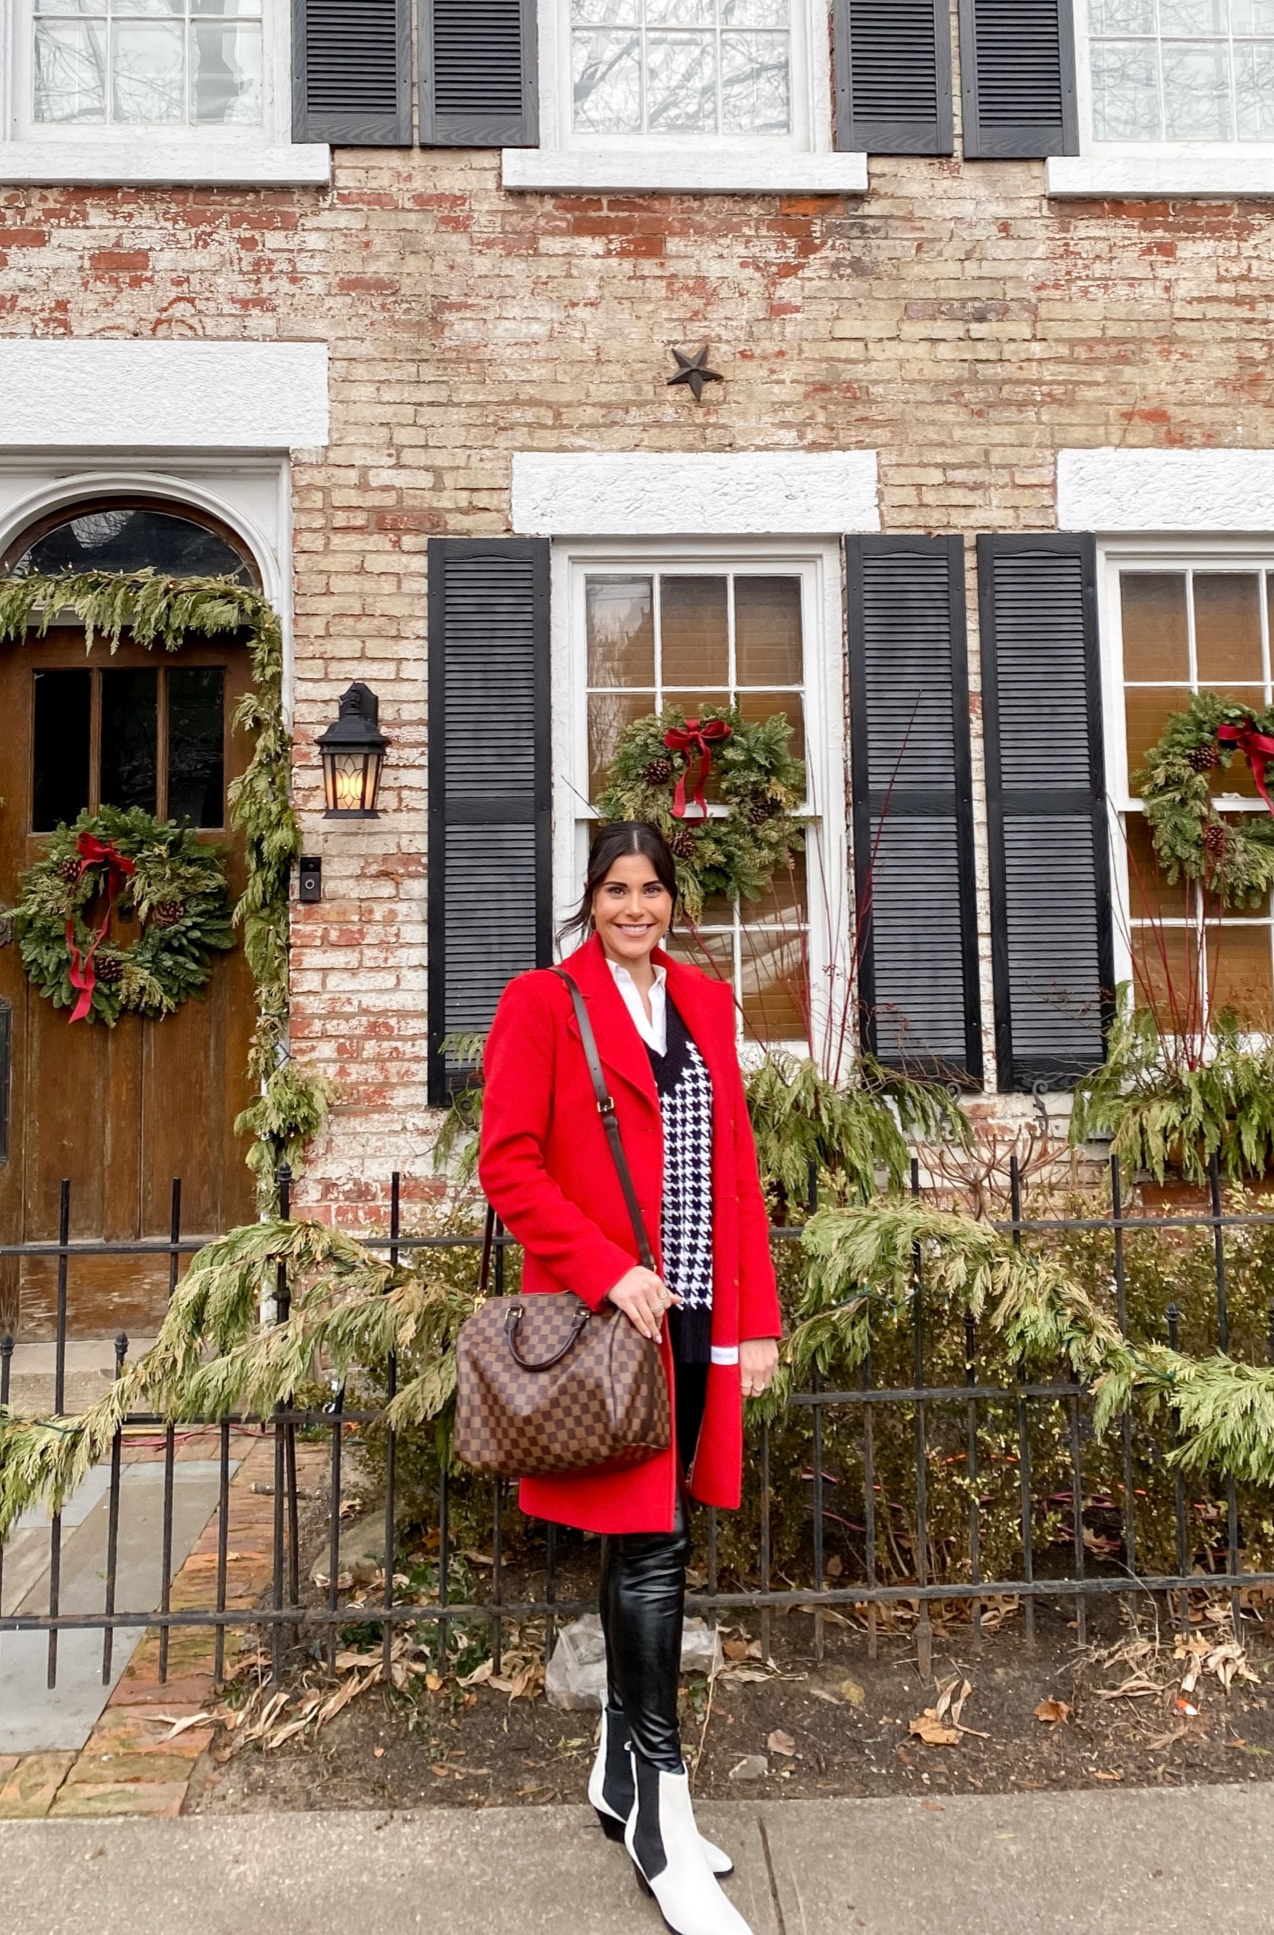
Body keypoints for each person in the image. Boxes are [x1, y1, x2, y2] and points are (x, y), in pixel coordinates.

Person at [480, 820, 782, 1935]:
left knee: (654, 1540)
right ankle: (662, 1816)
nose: (635, 907)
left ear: (672, 901)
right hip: (614, 1319)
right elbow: (506, 1162)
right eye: (616, 888)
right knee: (648, 1548)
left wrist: (756, 1319)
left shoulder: (704, 1002)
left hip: (701, 1315)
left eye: (652, 889)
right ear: (589, 898)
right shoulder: (541, 1003)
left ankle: (619, 1774)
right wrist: (609, 1272)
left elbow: (737, 1163)